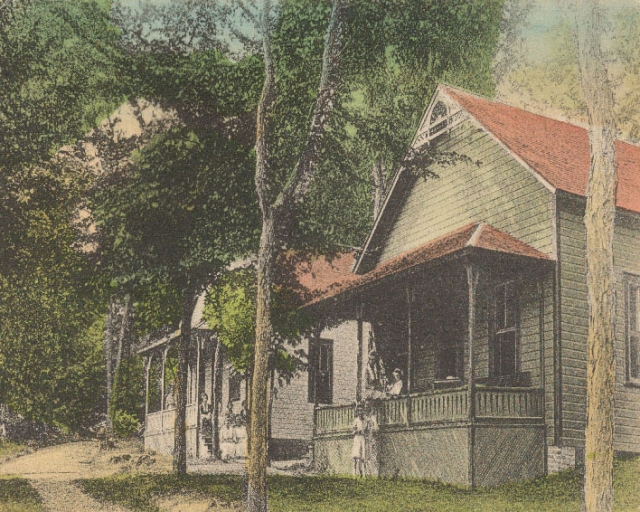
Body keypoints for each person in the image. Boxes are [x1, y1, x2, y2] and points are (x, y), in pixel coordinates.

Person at [364, 399, 379, 477]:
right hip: (365, 440)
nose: (366, 407)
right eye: (366, 405)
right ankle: (367, 474)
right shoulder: (364, 417)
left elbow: (376, 428)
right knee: (365, 457)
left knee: (373, 456)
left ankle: (375, 475)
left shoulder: (373, 417)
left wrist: (372, 428)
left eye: (368, 405)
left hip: (371, 439)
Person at [351, 404, 367, 477]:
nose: (360, 412)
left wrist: (364, 431)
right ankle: (354, 474)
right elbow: (352, 432)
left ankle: (362, 474)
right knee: (355, 456)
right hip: (357, 438)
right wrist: (357, 431)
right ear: (357, 412)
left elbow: (367, 430)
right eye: (359, 411)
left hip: (362, 439)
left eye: (362, 410)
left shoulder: (365, 420)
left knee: (362, 457)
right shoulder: (356, 420)